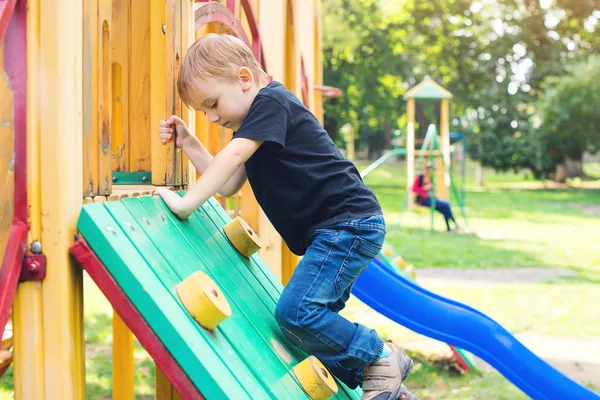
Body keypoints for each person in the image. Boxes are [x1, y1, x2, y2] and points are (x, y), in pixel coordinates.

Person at [154, 33, 418, 400]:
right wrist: (189, 143)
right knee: (304, 331)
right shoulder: (259, 124)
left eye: (213, 104)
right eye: (204, 113)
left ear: (245, 79)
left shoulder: (271, 102)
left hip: (347, 223)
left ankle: (380, 356)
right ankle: (387, 387)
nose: (212, 117)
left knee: (296, 313)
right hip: (339, 229)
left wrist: (185, 204)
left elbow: (231, 158)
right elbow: (229, 183)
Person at [412, 161, 461, 232]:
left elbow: (431, 191)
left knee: (445, 209)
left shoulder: (430, 178)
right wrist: (424, 188)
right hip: (423, 200)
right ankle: (455, 224)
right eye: (429, 169)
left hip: (431, 198)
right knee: (446, 204)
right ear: (426, 169)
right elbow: (414, 189)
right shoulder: (420, 177)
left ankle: (449, 228)